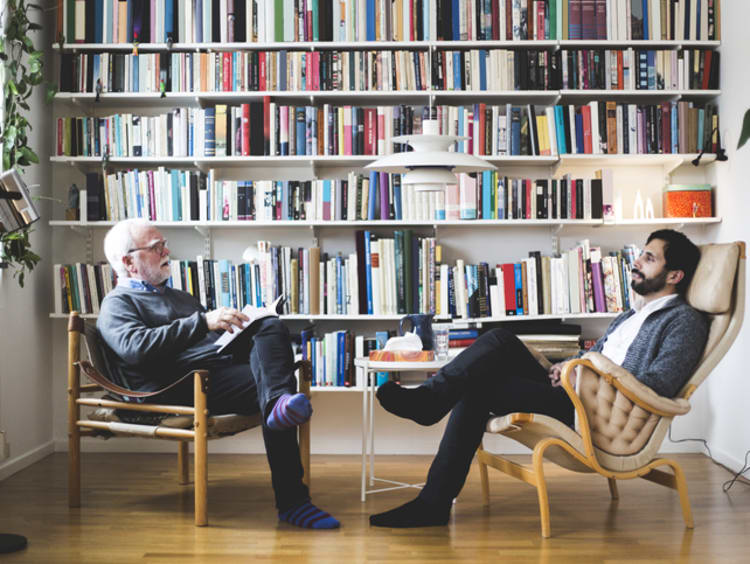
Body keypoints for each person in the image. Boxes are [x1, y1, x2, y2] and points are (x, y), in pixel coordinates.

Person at [370, 229, 708, 528]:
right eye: (641, 254)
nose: (637, 262)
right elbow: (599, 355)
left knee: (478, 390)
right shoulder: (631, 314)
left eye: (649, 258)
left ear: (674, 274)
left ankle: (433, 495)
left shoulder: (683, 321)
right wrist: (571, 365)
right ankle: (431, 402)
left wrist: (589, 366)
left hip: (593, 413)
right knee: (499, 339)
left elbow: (659, 383)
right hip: (573, 389)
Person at [97, 218, 339, 530]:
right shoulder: (117, 303)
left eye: (163, 244)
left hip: (211, 373)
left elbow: (206, 340)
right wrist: (203, 322)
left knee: (269, 329)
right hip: (172, 385)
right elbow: (136, 349)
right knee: (276, 385)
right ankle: (294, 500)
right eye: (157, 247)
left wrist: (238, 326)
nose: (166, 251)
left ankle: (279, 409)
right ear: (129, 261)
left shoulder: (179, 297)